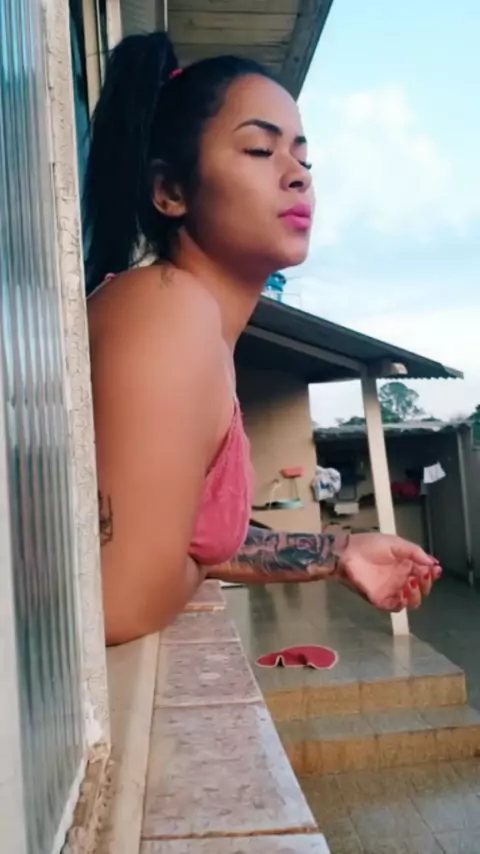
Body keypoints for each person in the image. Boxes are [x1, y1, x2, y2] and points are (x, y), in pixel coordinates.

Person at [84, 33, 441, 646]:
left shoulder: (190, 323)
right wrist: (192, 565)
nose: (298, 176)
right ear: (170, 191)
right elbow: (119, 601)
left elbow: (174, 535)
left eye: (304, 158)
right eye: (259, 149)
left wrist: (338, 550)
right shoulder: (166, 314)